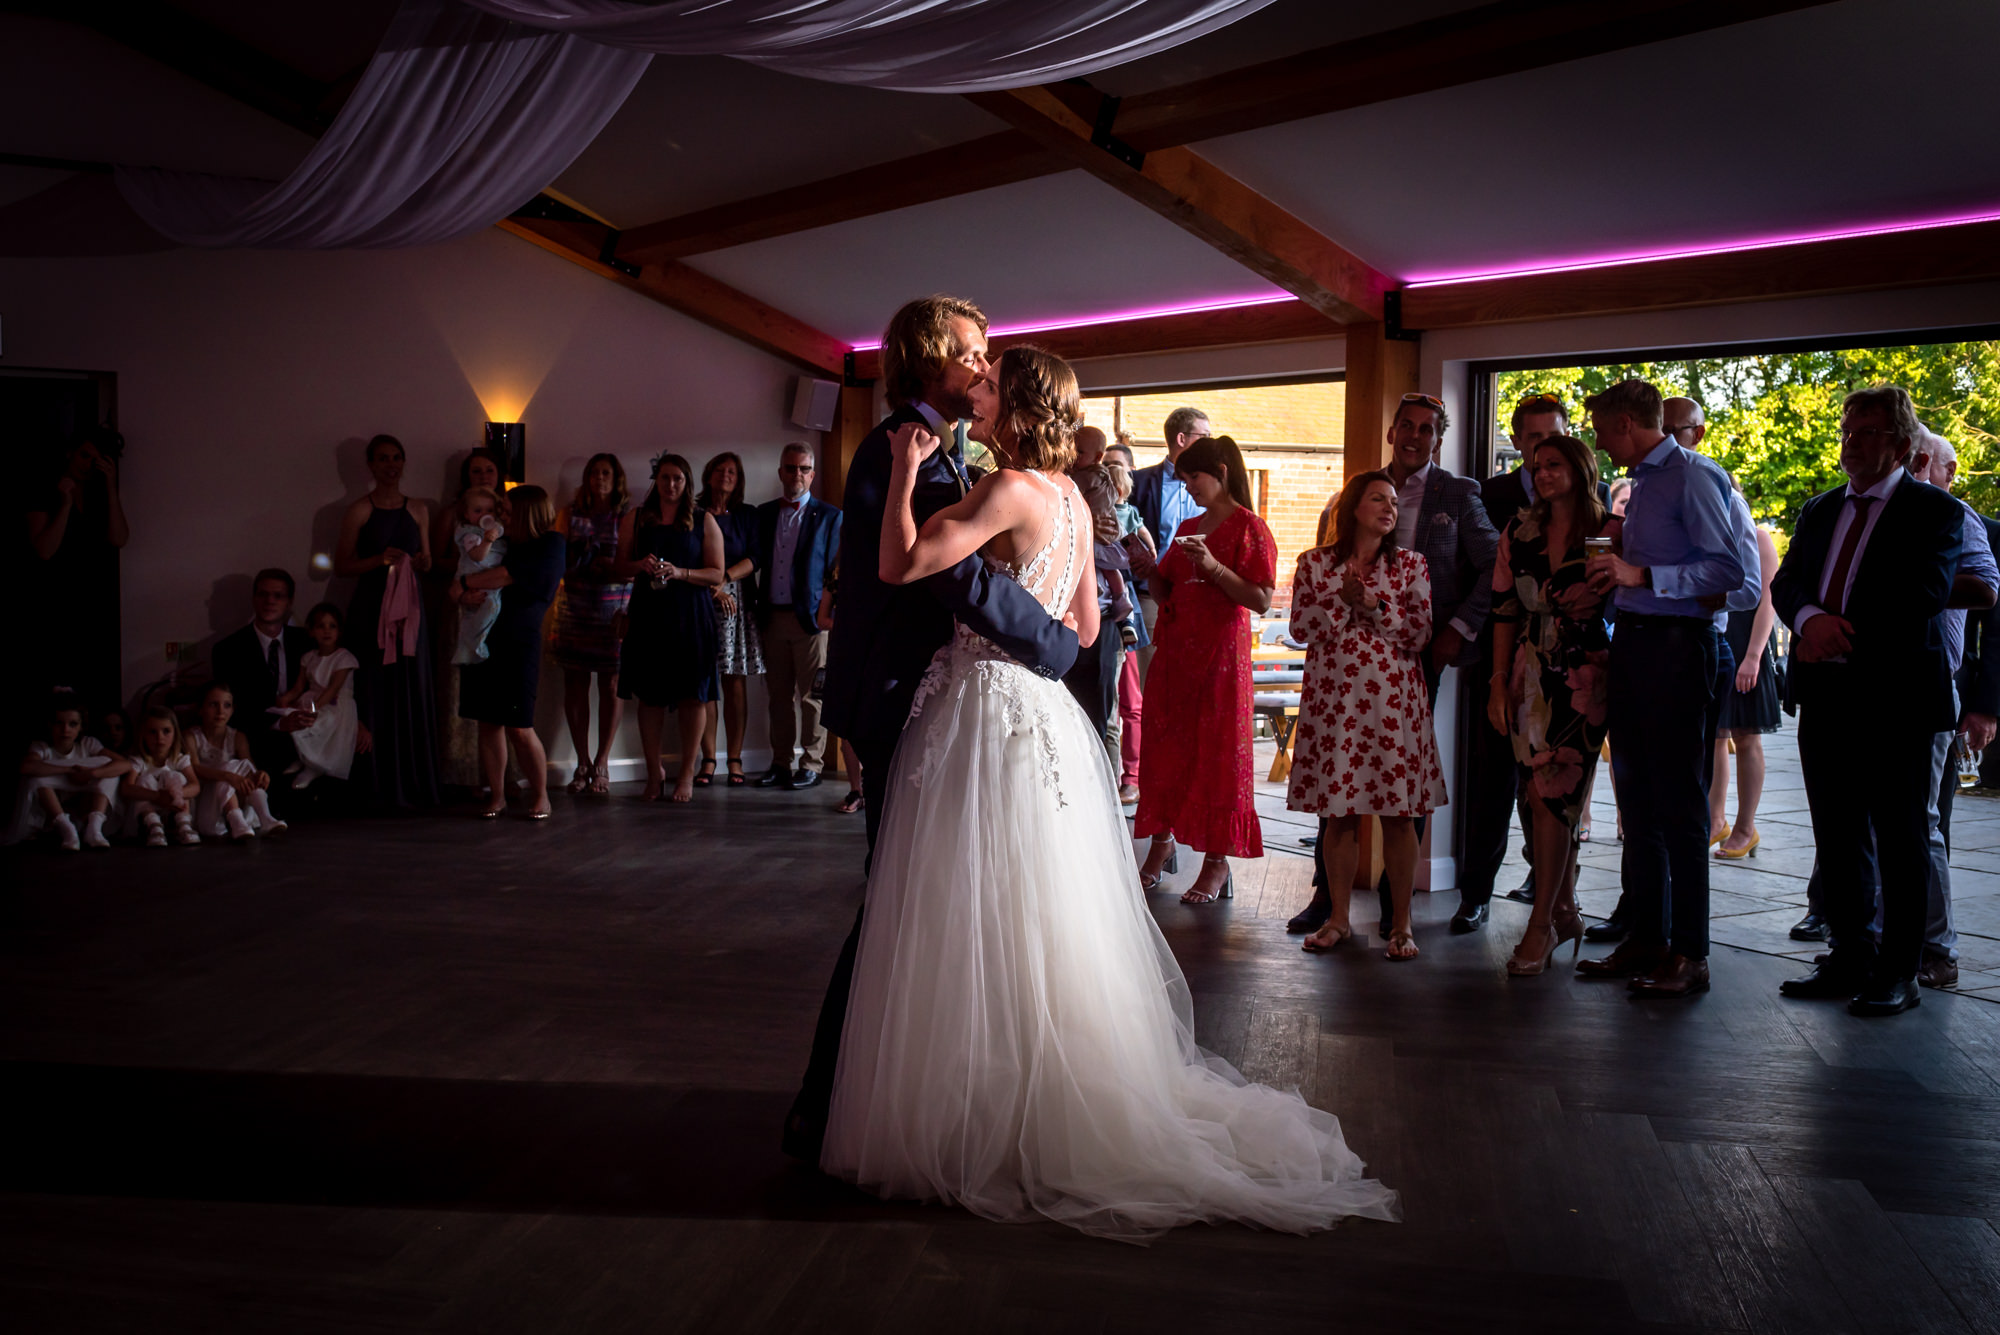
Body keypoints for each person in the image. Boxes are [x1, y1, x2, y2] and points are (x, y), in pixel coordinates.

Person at [822, 342, 1398, 1241]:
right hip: (1045, 716)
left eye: (987, 389)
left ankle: (977, 1108)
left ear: (1012, 409)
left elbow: (899, 564)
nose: (975, 398)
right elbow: (1085, 627)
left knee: (966, 906)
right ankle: (1048, 1092)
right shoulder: (1076, 506)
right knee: (1045, 914)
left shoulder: (1008, 489)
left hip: (979, 712)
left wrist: (901, 474)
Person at [789, 294, 1079, 1166]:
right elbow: (927, 581)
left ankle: (934, 1100)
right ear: (927, 359)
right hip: (901, 698)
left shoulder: (956, 459)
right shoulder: (898, 450)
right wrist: (1055, 642)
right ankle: (838, 1108)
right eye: (972, 352)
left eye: (990, 359)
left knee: (933, 904)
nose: (982, 367)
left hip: (957, 704)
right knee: (899, 906)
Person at [1287, 393, 1498, 936]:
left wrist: (1457, 630)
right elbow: (1305, 615)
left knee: (1399, 800)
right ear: (1392, 431)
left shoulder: (1456, 496)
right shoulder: (1350, 500)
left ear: (1438, 439)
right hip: (1335, 691)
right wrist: (1343, 600)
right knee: (1338, 802)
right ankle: (1331, 908)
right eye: (1407, 426)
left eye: (1427, 429)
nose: (1415, 436)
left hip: (1404, 671)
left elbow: (1493, 566)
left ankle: (1395, 913)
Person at [1578, 380, 1758, 999]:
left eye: (1601, 430)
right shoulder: (1644, 484)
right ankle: (1646, 939)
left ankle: (1692, 954)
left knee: (1680, 807)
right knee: (1637, 803)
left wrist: (1642, 572)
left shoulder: (1694, 476)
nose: (1597, 444)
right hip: (1634, 642)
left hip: (1681, 650)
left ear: (1626, 423)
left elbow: (1731, 573)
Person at [1290, 471, 1447, 961]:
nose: (1389, 508)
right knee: (1338, 818)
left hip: (1392, 706)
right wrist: (1343, 599)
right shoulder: (1314, 564)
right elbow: (1300, 627)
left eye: (1395, 502)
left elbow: (1420, 634)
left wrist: (1373, 603)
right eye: (1378, 498)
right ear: (1353, 506)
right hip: (1335, 707)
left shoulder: (1410, 566)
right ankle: (1338, 919)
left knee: (1399, 817)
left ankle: (1400, 925)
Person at [1487, 435, 1619, 975]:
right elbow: (1502, 610)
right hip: (1528, 672)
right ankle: (1564, 908)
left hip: (1587, 672)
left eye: (1555, 464)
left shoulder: (1611, 531)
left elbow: (1631, 599)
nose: (1543, 473)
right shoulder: (1519, 531)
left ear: (1581, 469)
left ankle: (1540, 923)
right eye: (1537, 465)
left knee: (1556, 796)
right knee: (1536, 795)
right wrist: (1498, 683)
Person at [1131, 434, 1278, 905]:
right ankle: (1161, 845)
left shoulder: (1249, 527)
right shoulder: (1189, 525)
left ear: (1221, 471)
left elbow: (1260, 600)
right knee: (1167, 749)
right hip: (1176, 656)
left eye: (1194, 476)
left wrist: (1213, 567)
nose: (1188, 485)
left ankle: (1217, 862)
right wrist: (1144, 565)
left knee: (1217, 756)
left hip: (1220, 659)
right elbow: (1167, 588)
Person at [1460, 393, 1579, 929]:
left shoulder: (1594, 502)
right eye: (1534, 441)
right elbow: (1486, 588)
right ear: (1518, 442)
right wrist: (1496, 672)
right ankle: (1476, 893)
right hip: (1506, 657)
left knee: (1557, 788)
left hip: (1575, 667)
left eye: (1553, 438)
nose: (1544, 451)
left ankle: (1557, 896)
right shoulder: (1492, 496)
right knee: (1492, 783)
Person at [335, 433, 439, 810]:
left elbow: (426, 558)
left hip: (410, 610)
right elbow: (342, 565)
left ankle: (413, 782)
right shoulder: (359, 510)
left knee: (410, 688)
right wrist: (378, 560)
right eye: (383, 459)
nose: (391, 465)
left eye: (396, 458)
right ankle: (377, 784)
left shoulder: (419, 509)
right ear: (371, 465)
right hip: (371, 611)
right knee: (373, 691)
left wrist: (423, 563)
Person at [452, 485, 567, 819]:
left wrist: (464, 585)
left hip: (519, 641)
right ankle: (497, 796)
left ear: (525, 512)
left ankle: (541, 795)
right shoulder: (501, 542)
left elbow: (503, 575)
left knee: (519, 725)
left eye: (505, 509)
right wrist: (460, 591)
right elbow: (460, 576)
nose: (500, 514)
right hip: (483, 639)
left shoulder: (551, 544)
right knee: (488, 723)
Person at [617, 455, 725, 803]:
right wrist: (639, 565)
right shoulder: (637, 519)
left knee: (692, 696)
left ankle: (687, 775)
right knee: (650, 698)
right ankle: (653, 774)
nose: (671, 485)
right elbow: (619, 566)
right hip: (649, 614)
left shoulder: (702, 519)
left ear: (687, 482)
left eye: (677, 478)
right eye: (665, 478)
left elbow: (717, 573)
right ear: (656, 480)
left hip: (691, 615)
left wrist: (680, 573)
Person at [753, 444, 841, 791]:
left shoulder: (830, 516)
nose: (797, 475)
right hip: (772, 616)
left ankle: (812, 763)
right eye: (791, 468)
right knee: (778, 697)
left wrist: (827, 615)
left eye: (804, 469)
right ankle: (780, 762)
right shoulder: (763, 514)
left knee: (812, 696)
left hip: (811, 620)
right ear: (780, 472)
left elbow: (836, 571)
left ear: (813, 474)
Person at [26, 428, 131, 708]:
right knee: (55, 689)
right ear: (70, 452)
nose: (88, 464)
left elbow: (119, 538)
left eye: (96, 459)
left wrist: (110, 487)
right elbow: (44, 550)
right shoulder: (45, 490)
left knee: (92, 686)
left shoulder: (99, 494)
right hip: (54, 602)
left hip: (93, 602)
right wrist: (65, 504)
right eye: (85, 455)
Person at [1708, 478, 1783, 860]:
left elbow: (1768, 600)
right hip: (1721, 637)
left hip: (1750, 642)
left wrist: (1753, 656)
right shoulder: (1710, 537)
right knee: (1718, 735)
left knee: (1747, 736)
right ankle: (1715, 817)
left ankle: (1745, 826)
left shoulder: (1757, 536)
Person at [550, 453, 631, 797]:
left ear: (617, 479)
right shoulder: (569, 514)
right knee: (575, 684)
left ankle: (602, 760)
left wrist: (609, 564)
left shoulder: (626, 517)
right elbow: (554, 558)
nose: (600, 477)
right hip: (575, 608)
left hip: (614, 610)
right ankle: (581, 760)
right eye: (594, 472)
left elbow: (634, 563)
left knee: (611, 685)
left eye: (606, 472)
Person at [432, 447, 509, 791]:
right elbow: (441, 560)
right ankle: (463, 771)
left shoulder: (508, 512)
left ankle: (502, 775)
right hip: (465, 604)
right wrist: (464, 584)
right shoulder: (456, 517)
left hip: (500, 604)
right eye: (476, 471)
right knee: (464, 688)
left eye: (489, 470)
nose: (483, 476)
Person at [209, 568, 315, 782]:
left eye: (278, 596)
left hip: (308, 734)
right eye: (263, 594)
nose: (270, 601)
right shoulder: (228, 650)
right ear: (254, 599)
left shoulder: (307, 642)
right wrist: (278, 724)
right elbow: (232, 709)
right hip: (256, 738)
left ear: (289, 602)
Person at [1129, 406, 1210, 683]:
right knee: (1153, 677)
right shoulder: (1139, 482)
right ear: (1181, 439)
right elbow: (1124, 531)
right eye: (1204, 435)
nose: (1210, 442)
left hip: (1202, 592)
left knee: (1194, 678)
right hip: (1152, 593)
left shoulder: (1213, 485)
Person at [697, 452, 762, 788]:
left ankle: (734, 757)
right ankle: (708, 758)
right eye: (720, 470)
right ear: (709, 475)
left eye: (732, 472)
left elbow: (755, 556)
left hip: (737, 604)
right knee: (705, 681)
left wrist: (722, 580)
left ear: (739, 480)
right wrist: (710, 586)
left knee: (734, 680)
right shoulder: (694, 513)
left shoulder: (747, 515)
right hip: (699, 601)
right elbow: (689, 556)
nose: (726, 475)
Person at [8, 692, 126, 850]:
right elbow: (26, 767)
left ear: (80, 726)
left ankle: (94, 827)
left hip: (82, 806)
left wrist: (91, 774)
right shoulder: (43, 747)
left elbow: (124, 764)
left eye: (72, 724)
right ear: (50, 724)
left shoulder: (87, 744)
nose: (65, 729)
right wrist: (69, 770)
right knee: (34, 777)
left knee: (108, 767)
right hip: (52, 813)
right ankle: (66, 828)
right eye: (59, 723)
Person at [275, 603, 363, 788]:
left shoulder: (344, 658)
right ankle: (304, 758)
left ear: (339, 631)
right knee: (292, 718)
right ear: (312, 631)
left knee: (320, 723)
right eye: (320, 626)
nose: (326, 631)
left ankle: (314, 768)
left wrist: (314, 708)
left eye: (332, 626)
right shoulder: (308, 657)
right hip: (313, 699)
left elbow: (333, 688)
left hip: (335, 704)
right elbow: (299, 687)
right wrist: (286, 699)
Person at [1106, 453, 1150, 804]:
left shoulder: (1129, 516)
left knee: (1131, 700)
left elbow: (1148, 550)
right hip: (1101, 608)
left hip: (1125, 610)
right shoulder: (1095, 514)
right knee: (1107, 702)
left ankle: (1132, 776)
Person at [186, 683, 284, 840]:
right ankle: (262, 816)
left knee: (243, 767)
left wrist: (260, 775)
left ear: (232, 710)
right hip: (208, 808)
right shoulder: (192, 737)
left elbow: (248, 766)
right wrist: (227, 776)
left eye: (226, 705)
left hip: (237, 801)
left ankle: (251, 819)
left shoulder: (237, 737)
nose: (220, 711)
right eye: (213, 704)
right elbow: (194, 768)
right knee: (230, 769)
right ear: (201, 709)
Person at [815, 564, 865, 815]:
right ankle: (856, 789)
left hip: (872, 654)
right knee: (847, 726)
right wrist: (847, 626)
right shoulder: (836, 575)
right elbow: (821, 619)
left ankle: (875, 787)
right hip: (844, 655)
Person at [120, 706, 202, 846]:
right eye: (152, 732)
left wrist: (175, 795)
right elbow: (126, 788)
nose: (160, 738)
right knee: (144, 779)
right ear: (143, 734)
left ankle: (184, 825)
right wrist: (157, 796)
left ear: (175, 733)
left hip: (176, 808)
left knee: (175, 776)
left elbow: (195, 786)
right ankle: (153, 826)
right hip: (147, 812)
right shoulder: (139, 761)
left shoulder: (179, 759)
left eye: (166, 731)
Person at [448, 487, 507, 665]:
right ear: (466, 514)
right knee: (488, 608)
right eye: (478, 511)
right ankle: (472, 643)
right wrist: (488, 540)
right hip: (474, 578)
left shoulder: (495, 529)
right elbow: (477, 556)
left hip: (491, 581)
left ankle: (468, 643)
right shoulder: (470, 534)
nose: (484, 515)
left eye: (489, 511)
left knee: (486, 610)